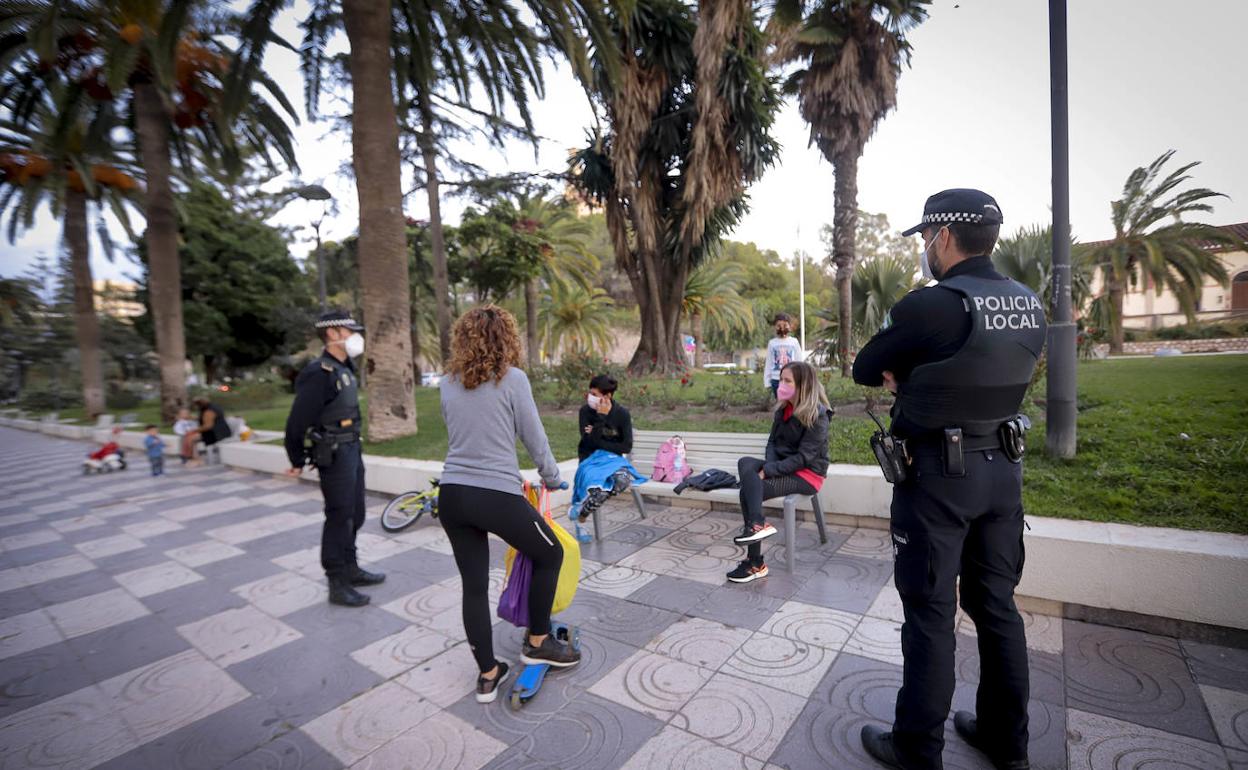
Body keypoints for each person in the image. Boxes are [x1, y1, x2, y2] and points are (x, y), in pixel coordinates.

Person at [852, 189, 1045, 770]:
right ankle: (1006, 742)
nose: (923, 250)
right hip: (1003, 475)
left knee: (931, 615)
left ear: (942, 236)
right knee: (997, 608)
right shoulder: (1028, 302)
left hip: (937, 479)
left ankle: (916, 750)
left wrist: (910, 379)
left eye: (923, 239)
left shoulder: (932, 305)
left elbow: (866, 367)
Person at [438, 305, 579, 704]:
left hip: (452, 495)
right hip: (494, 495)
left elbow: (467, 437)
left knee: (473, 586)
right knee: (550, 553)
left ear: (462, 340)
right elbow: (534, 438)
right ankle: (536, 641)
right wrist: (552, 477)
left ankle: (488, 674)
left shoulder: (448, 383)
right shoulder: (513, 379)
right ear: (507, 339)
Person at [283, 310, 385, 608]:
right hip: (334, 452)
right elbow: (296, 421)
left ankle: (351, 568)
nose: (355, 336)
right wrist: (296, 457)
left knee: (357, 512)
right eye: (349, 330)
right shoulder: (319, 373)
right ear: (332, 334)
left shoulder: (344, 367)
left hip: (352, 448)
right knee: (339, 515)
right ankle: (336, 582)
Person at [728, 361, 831, 583]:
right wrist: (769, 467)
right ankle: (757, 524)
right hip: (784, 468)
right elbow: (772, 443)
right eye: (781, 379)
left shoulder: (818, 415)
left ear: (802, 385)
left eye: (787, 381)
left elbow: (805, 458)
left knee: (748, 490)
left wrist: (770, 470)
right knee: (745, 462)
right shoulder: (783, 409)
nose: (781, 385)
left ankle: (755, 562)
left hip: (807, 475)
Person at [571, 374, 640, 538]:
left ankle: (583, 510)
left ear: (607, 396)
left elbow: (626, 446)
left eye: (595, 394)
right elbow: (588, 444)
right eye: (590, 393)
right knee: (598, 489)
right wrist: (601, 418)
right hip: (590, 460)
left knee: (622, 481)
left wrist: (596, 436)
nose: (590, 397)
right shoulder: (585, 412)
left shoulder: (622, 414)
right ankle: (582, 518)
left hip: (613, 461)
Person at [763, 312, 804, 399]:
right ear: (775, 326)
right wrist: (767, 381)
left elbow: (799, 361)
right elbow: (769, 362)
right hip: (776, 379)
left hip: (791, 378)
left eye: (785, 325)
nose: (782, 328)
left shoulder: (794, 342)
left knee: (791, 402)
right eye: (779, 325)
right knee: (780, 403)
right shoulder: (772, 343)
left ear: (789, 326)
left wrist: (801, 378)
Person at [193, 396, 232, 463]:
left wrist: (194, 430)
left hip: (216, 435)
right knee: (190, 437)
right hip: (222, 432)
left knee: (191, 438)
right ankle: (193, 457)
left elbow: (208, 426)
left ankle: (194, 459)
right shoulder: (214, 407)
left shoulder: (209, 410)